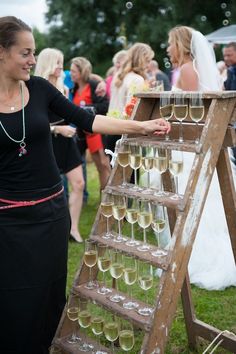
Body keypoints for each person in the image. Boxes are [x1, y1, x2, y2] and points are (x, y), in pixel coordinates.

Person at [0, 16, 170, 354]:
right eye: (25, 53)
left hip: (50, 215)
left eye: (34, 53)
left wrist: (142, 127)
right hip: (8, 222)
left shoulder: (40, 90)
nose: (33, 61)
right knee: (13, 297)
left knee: (48, 295)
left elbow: (88, 119)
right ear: (1, 53)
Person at [166, 25, 236, 290]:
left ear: (182, 45)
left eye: (171, 43)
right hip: (193, 142)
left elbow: (195, 110)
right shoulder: (191, 69)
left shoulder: (187, 70)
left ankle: (199, 257)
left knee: (193, 201)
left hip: (189, 143)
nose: (168, 48)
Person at [34, 48, 84, 243]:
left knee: (79, 183)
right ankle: (52, 230)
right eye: (57, 62)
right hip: (47, 142)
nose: (61, 66)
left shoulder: (63, 87)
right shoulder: (36, 88)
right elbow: (33, 125)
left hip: (66, 142)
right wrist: (58, 130)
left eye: (61, 61)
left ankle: (73, 228)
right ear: (47, 63)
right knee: (50, 192)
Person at [70, 56, 111, 191]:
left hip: (96, 132)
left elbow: (105, 105)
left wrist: (86, 108)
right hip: (83, 134)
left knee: (103, 166)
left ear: (82, 72)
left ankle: (105, 199)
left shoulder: (93, 85)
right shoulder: (74, 89)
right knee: (94, 166)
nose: (71, 74)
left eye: (74, 71)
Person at [107, 42, 155, 153]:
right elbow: (133, 112)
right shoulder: (137, 79)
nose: (149, 65)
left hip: (110, 130)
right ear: (141, 59)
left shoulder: (119, 76)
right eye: (147, 61)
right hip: (125, 132)